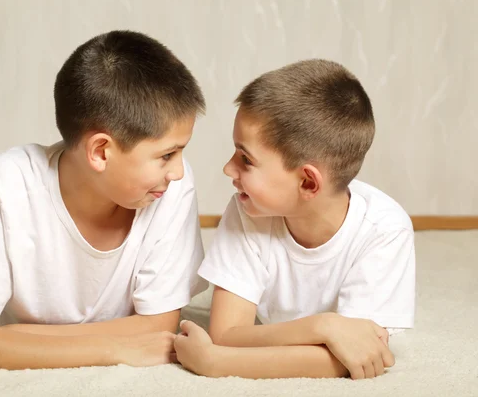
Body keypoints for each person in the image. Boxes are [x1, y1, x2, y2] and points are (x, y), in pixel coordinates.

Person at [0, 30, 208, 369]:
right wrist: (114, 349)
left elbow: (157, 328)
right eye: (167, 155)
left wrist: (1, 339)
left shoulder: (170, 186)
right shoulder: (4, 186)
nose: (178, 170)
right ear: (100, 151)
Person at [174, 59, 415, 380]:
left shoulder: (385, 229)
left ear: (308, 183)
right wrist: (323, 326)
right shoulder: (247, 211)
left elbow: (362, 357)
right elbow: (226, 334)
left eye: (246, 159)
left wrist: (216, 363)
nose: (228, 169)